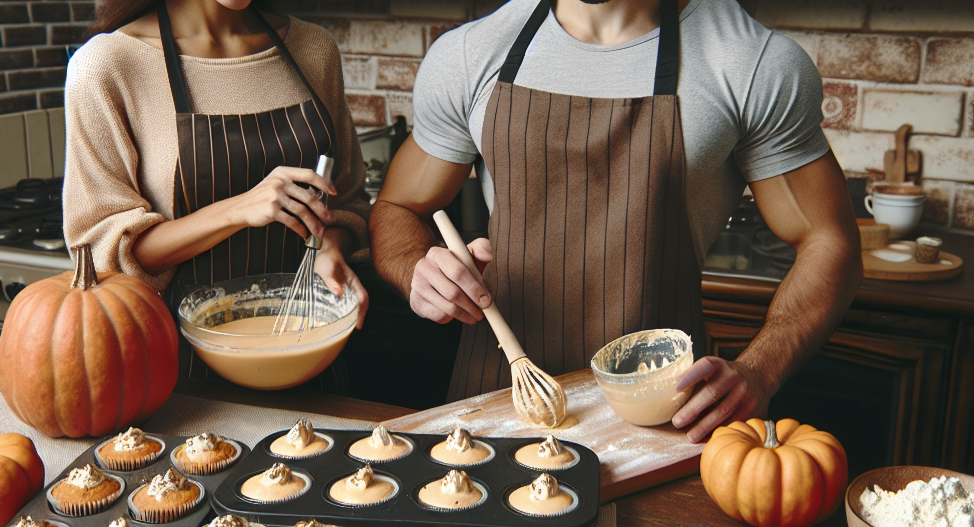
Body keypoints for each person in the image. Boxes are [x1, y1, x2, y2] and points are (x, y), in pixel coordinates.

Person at [369, 0, 861, 442]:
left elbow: (829, 238)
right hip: (496, 402)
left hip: (665, 414)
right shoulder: (469, 55)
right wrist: (418, 269)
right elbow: (397, 208)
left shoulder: (751, 62)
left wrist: (760, 371)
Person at [63, 0, 371, 380]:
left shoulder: (313, 48)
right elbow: (103, 255)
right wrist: (239, 209)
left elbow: (347, 200)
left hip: (314, 353)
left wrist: (330, 248)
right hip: (189, 376)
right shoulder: (107, 65)